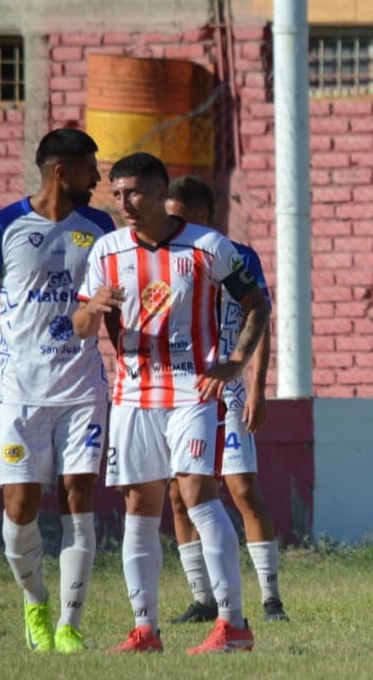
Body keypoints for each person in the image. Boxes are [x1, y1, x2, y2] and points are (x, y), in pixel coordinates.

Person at [73, 152, 271, 654]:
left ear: (161, 193)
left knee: (198, 493)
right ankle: (146, 630)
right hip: (132, 394)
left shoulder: (207, 246)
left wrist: (235, 363)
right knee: (140, 507)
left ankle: (233, 624)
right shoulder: (107, 251)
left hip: (192, 392)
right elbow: (80, 326)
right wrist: (93, 309)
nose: (125, 204)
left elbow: (257, 305)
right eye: (118, 194)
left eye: (134, 192)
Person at [0, 128, 113, 653]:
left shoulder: (100, 227)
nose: (97, 178)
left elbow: (112, 303)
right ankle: (35, 603)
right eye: (90, 169)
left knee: (79, 495)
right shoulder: (1, 225)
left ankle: (70, 624)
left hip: (82, 389)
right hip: (20, 393)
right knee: (20, 505)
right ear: (61, 172)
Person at [163, 176, 289, 624]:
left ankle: (271, 598)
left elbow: (261, 319)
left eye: (181, 216)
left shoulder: (239, 256)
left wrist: (257, 387)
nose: (173, 225)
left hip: (229, 390)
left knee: (242, 489)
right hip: (181, 390)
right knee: (179, 494)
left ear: (204, 215)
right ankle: (203, 599)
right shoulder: (165, 259)